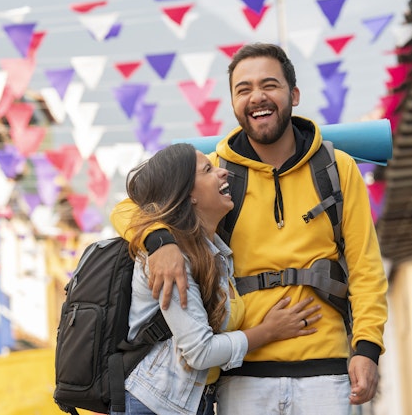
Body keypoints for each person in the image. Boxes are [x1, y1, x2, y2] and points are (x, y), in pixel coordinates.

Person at [111, 43, 388, 414]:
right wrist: (159, 241)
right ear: (234, 104)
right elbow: (126, 208)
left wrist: (367, 348)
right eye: (243, 89)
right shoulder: (214, 172)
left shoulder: (337, 169)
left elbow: (366, 268)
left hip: (327, 370)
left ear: (294, 94)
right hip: (241, 374)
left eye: (269, 85)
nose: (257, 96)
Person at [115, 143, 322, 415]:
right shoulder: (174, 260)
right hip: (155, 404)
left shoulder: (216, 253)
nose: (223, 173)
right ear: (188, 195)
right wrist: (268, 331)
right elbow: (199, 352)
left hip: (189, 402)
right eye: (208, 170)